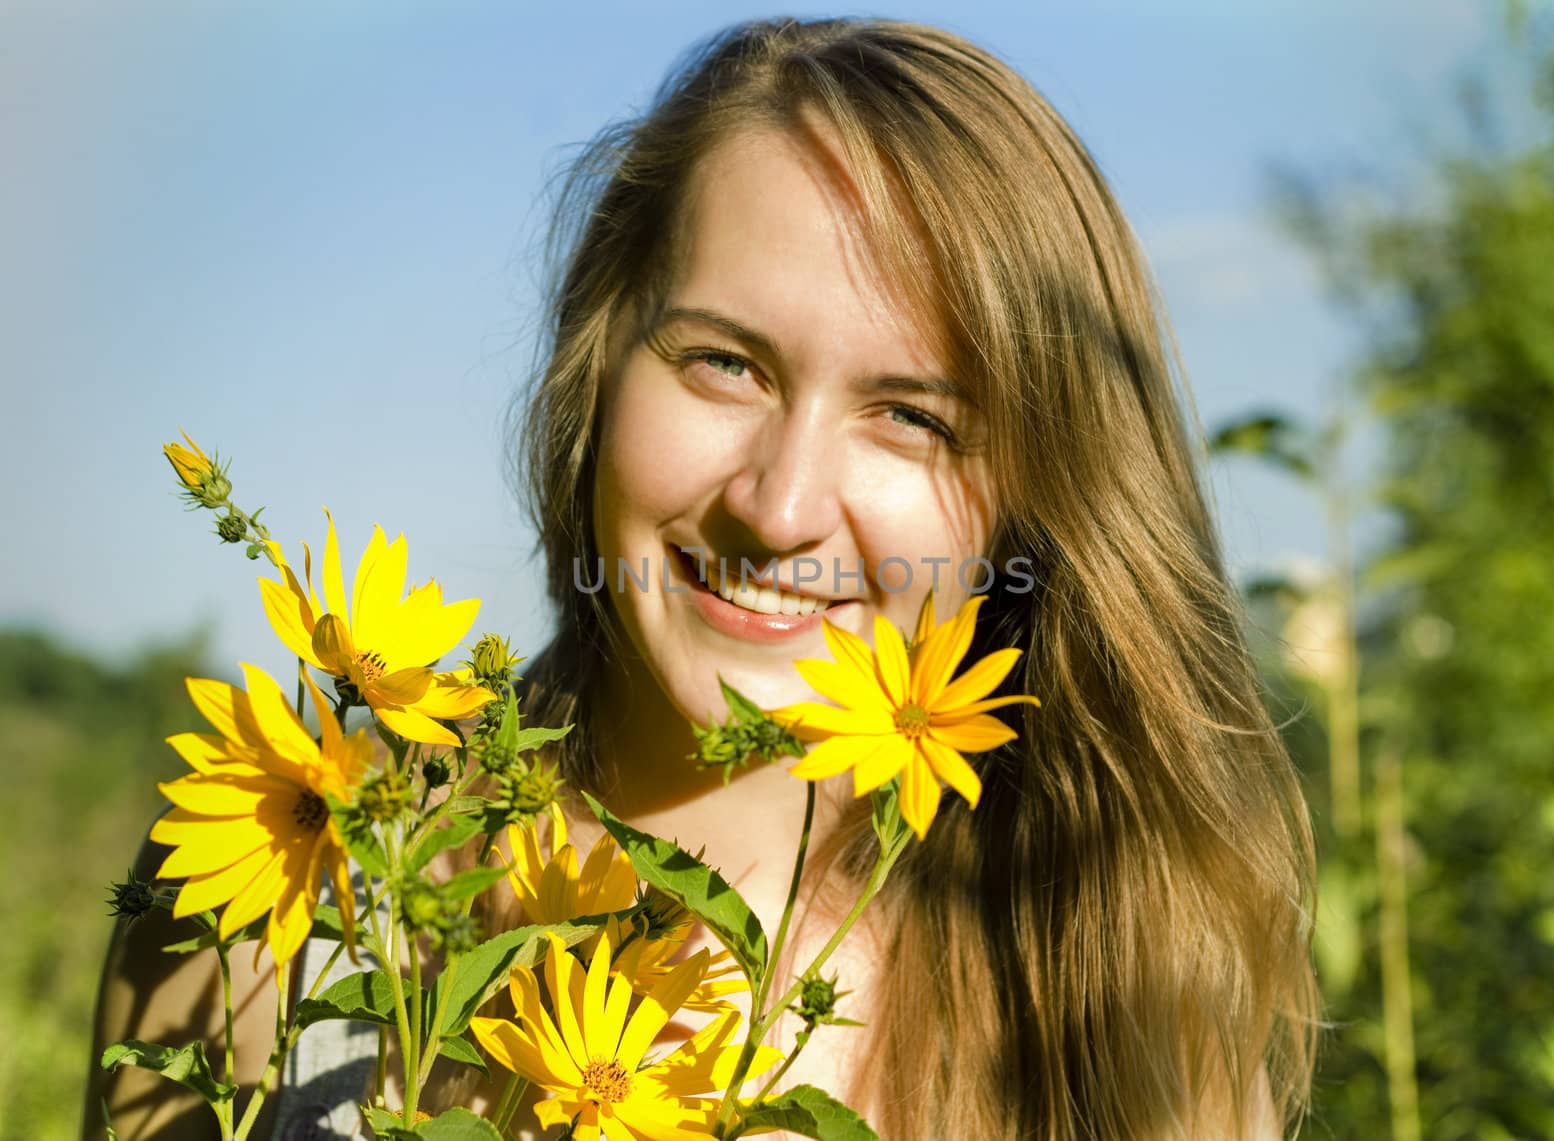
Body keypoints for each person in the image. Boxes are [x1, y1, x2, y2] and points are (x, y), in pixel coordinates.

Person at [87, 16, 1319, 1140]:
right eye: (726, 364)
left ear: (1043, 497)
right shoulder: (282, 890)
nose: (778, 507)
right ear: (597, 359)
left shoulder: (1120, 979)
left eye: (912, 418)